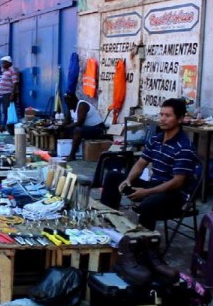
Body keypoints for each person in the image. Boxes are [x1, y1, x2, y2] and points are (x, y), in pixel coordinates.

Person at [100, 98, 196, 232]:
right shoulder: (156, 139)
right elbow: (141, 163)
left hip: (174, 195)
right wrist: (128, 180)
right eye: (161, 114)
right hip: (153, 186)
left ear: (180, 119)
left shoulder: (184, 146)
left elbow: (178, 182)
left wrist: (146, 192)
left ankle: (145, 244)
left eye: (168, 116)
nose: (162, 119)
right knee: (113, 177)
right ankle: (107, 226)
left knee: (147, 205)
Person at [61, 93, 106, 161]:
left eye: (68, 103)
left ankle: (72, 155)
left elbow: (80, 122)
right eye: (66, 103)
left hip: (97, 128)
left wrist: (66, 127)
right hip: (87, 128)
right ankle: (62, 152)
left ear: (73, 101)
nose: (67, 105)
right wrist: (60, 127)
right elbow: (67, 119)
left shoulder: (82, 105)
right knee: (63, 131)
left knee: (77, 130)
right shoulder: (70, 106)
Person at [0, 55, 20, 133]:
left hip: (8, 94)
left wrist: (12, 94)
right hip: (5, 94)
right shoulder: (6, 71)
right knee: (6, 111)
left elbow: (15, 83)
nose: (2, 65)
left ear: (8, 63)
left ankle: (10, 130)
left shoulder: (12, 71)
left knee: (9, 112)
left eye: (4, 63)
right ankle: (7, 128)